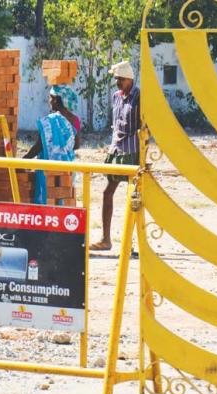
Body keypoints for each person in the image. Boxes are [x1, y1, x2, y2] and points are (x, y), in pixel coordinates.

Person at [89, 60, 139, 257]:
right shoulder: (116, 97)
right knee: (107, 192)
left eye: (120, 79)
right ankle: (106, 239)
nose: (117, 82)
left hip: (133, 150)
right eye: (116, 79)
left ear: (129, 79)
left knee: (134, 197)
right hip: (117, 149)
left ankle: (132, 243)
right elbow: (117, 124)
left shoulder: (139, 96)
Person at [23, 84, 81, 204]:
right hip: (67, 168)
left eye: (51, 98)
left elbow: (39, 146)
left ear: (56, 99)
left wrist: (23, 161)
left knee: (47, 199)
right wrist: (64, 149)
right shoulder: (75, 120)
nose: (49, 101)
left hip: (48, 169)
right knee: (64, 198)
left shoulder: (49, 121)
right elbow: (77, 145)